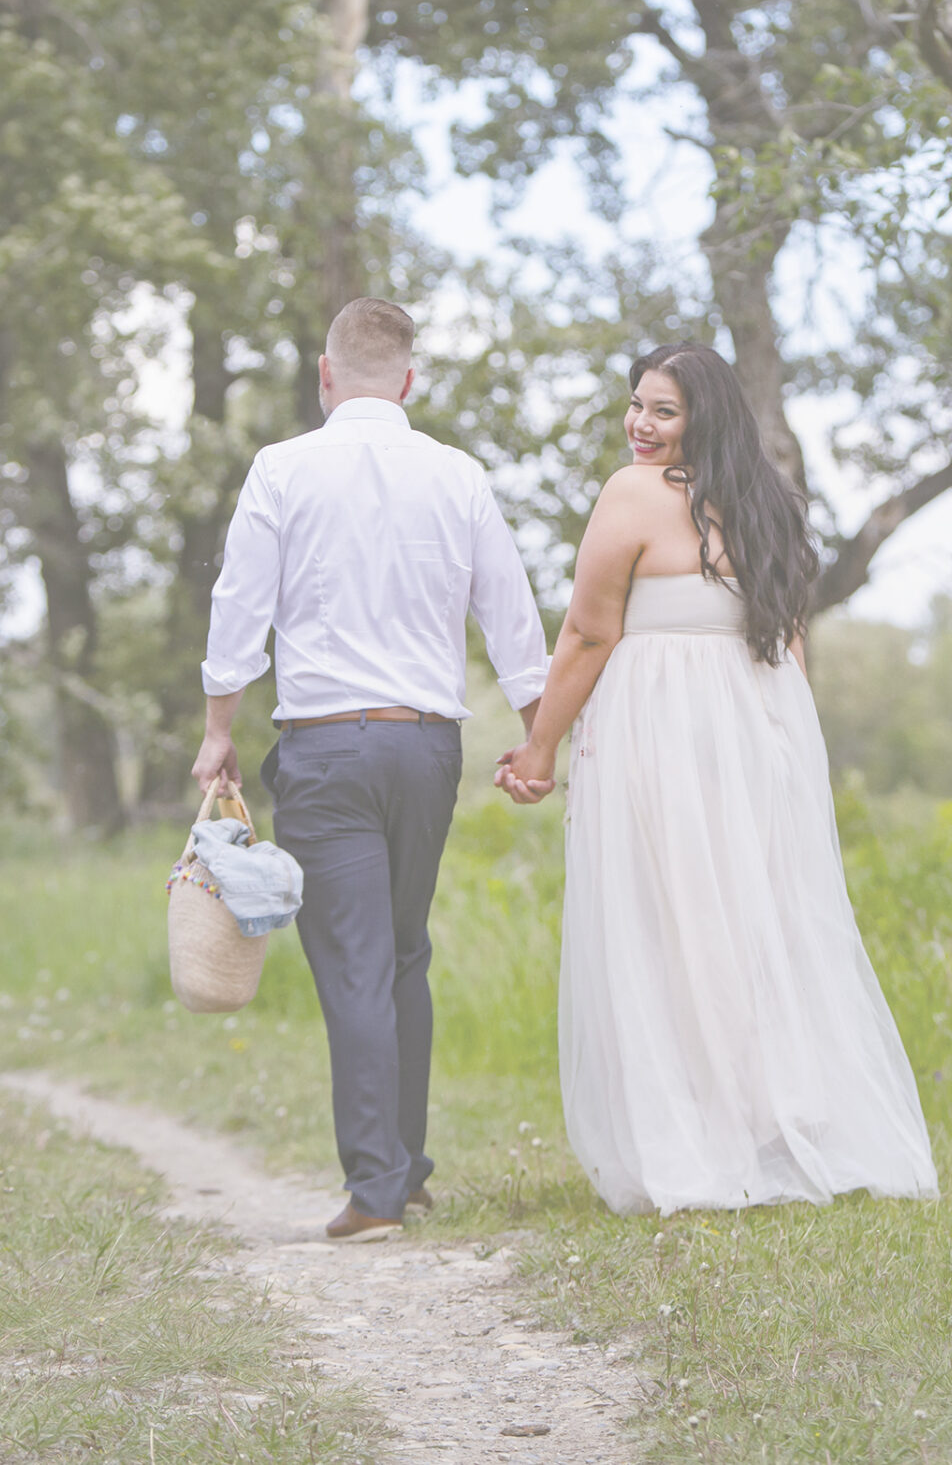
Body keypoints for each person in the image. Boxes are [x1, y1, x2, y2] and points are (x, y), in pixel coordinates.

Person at [495, 342, 938, 1215]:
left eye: (664, 410)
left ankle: (702, 1135)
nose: (641, 424)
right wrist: (790, 749)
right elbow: (789, 640)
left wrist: (539, 745)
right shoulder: (768, 502)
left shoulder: (632, 495)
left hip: (663, 731)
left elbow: (586, 635)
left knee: (667, 922)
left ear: (704, 416)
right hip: (756, 729)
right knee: (745, 919)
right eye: (636, 404)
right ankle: (759, 1120)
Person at [194, 297, 549, 1242]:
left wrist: (216, 725)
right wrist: (538, 733)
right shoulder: (459, 472)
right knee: (401, 951)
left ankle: (377, 1189)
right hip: (429, 746)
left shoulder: (281, 468)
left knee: (355, 962)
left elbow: (240, 607)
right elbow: (509, 609)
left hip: (326, 748)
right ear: (408, 380)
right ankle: (409, 1166)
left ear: (325, 374)